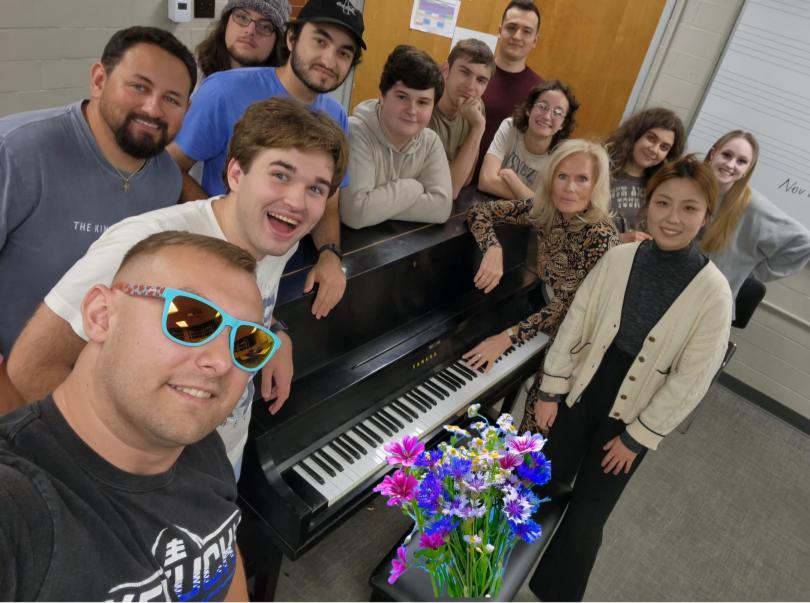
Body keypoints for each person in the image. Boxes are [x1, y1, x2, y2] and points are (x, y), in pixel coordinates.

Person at [6, 98, 349, 476]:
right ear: (236, 174)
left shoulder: (277, 236)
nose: (297, 201)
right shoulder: (147, 244)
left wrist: (274, 334)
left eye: (316, 189)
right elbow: (31, 365)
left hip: (221, 460)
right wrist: (115, 473)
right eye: (280, 175)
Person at [0, 231, 278, 600]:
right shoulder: (18, 502)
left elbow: (221, 548)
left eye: (248, 343)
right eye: (191, 318)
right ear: (101, 316)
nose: (222, 362)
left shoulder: (202, 445)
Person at [526, 156, 732, 601]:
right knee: (535, 489)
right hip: (583, 391)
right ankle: (489, 574)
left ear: (707, 217)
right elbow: (577, 322)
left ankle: (552, 595)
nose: (672, 218)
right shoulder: (620, 258)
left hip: (632, 414)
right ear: (647, 206)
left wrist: (637, 438)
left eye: (689, 208)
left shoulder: (714, 294)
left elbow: (691, 381)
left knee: (586, 520)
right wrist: (549, 391)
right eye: (663, 203)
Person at [0, 26, 196, 408]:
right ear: (99, 79)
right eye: (139, 86)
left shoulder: (166, 180)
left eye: (171, 99)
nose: (153, 109)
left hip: (90, 393)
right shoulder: (18, 150)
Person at [169, 0, 366, 319]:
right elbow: (170, 166)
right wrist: (222, 234)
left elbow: (329, 197)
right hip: (215, 265)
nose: (329, 60)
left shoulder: (336, 116)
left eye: (343, 52)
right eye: (320, 41)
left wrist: (329, 253)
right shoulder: (224, 90)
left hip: (282, 272)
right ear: (291, 39)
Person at [463, 139, 618, 429]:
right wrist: (493, 248)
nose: (569, 188)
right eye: (562, 176)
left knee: (540, 423)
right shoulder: (545, 210)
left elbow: (569, 305)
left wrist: (506, 338)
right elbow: (478, 212)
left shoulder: (600, 235)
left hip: (583, 336)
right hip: (553, 317)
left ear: (595, 184)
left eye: (581, 179)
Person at [341, 45, 452, 229]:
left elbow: (441, 208)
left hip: (400, 248)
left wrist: (377, 206)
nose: (412, 111)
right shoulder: (356, 130)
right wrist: (412, 187)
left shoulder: (431, 141)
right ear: (382, 96)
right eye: (402, 97)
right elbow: (356, 213)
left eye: (423, 102)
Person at [701, 130, 810, 300]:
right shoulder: (690, 187)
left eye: (741, 161)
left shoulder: (753, 205)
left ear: (747, 170)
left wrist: (748, 274)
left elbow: (804, 243)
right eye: (726, 155)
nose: (730, 164)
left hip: (712, 300)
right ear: (713, 153)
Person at [474, 0, 543, 179]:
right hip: (456, 181)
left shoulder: (541, 93)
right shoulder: (473, 74)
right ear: (500, 31)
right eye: (511, 27)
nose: (517, 36)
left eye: (526, 31)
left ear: (535, 40)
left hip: (502, 190)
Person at [478, 80, 579, 199]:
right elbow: (485, 181)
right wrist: (532, 199)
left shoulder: (562, 156)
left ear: (563, 124)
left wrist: (512, 179)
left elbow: (548, 209)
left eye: (557, 112)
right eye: (542, 106)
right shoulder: (511, 127)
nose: (547, 117)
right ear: (529, 109)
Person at [604, 107, 685, 242]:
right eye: (651, 138)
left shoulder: (661, 187)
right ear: (635, 135)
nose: (654, 149)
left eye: (664, 147)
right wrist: (618, 239)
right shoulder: (600, 167)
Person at [428, 39, 495, 199]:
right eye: (465, 72)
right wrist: (478, 129)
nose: (471, 86)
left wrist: (477, 127)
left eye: (481, 80)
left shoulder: (476, 109)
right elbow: (448, 190)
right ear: (446, 70)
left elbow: (466, 179)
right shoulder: (424, 108)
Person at [196, 0, 291, 79]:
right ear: (226, 23)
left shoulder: (282, 95)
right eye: (242, 17)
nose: (250, 31)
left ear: (277, 41)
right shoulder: (192, 76)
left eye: (265, 26)